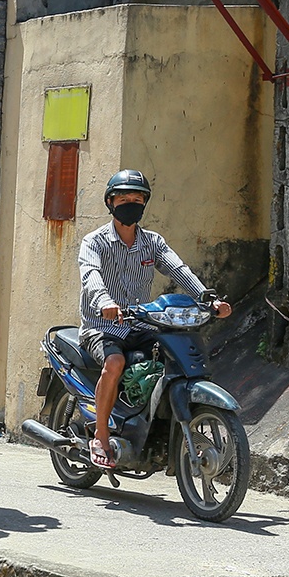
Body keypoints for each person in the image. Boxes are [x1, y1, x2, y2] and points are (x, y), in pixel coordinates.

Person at [78, 169, 232, 468]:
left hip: (141, 323)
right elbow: (90, 274)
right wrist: (105, 301)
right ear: (110, 202)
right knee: (115, 363)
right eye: (124, 198)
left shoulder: (152, 242)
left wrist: (208, 299)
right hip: (102, 325)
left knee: (177, 356)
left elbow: (178, 270)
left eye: (137, 198)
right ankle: (100, 434)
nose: (131, 203)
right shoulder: (94, 241)